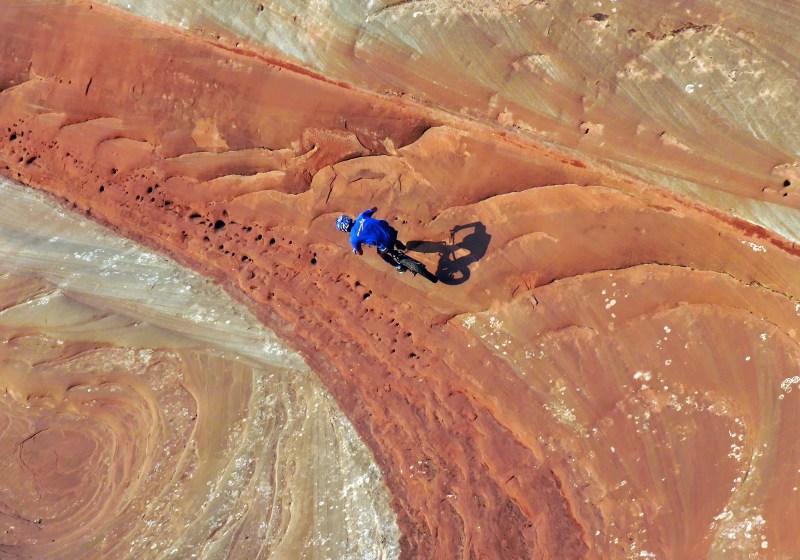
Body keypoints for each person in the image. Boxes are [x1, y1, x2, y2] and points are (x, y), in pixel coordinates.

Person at [336, 207, 407, 272]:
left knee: (381, 254)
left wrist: (356, 249)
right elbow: (374, 209)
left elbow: (360, 253)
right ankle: (402, 246)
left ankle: (398, 266)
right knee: (388, 235)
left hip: (385, 245)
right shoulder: (362, 216)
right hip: (391, 231)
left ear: (343, 229)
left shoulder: (353, 239)